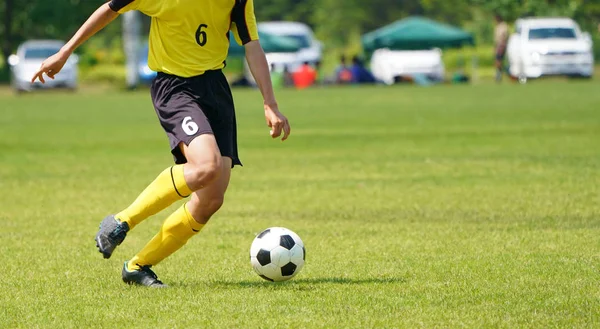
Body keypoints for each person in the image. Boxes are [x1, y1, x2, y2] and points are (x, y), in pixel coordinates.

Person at [31, 0, 290, 288]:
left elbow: (251, 44)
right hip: (176, 88)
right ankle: (120, 221)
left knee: (210, 200)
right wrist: (65, 52)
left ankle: (137, 266)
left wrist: (270, 102)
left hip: (215, 88)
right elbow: (110, 8)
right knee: (206, 167)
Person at [494, 13, 509, 83]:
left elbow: (504, 36)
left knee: (499, 61)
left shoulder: (503, 26)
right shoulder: (498, 26)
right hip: (498, 45)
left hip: (501, 45)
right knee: (497, 61)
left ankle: (505, 74)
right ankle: (499, 74)